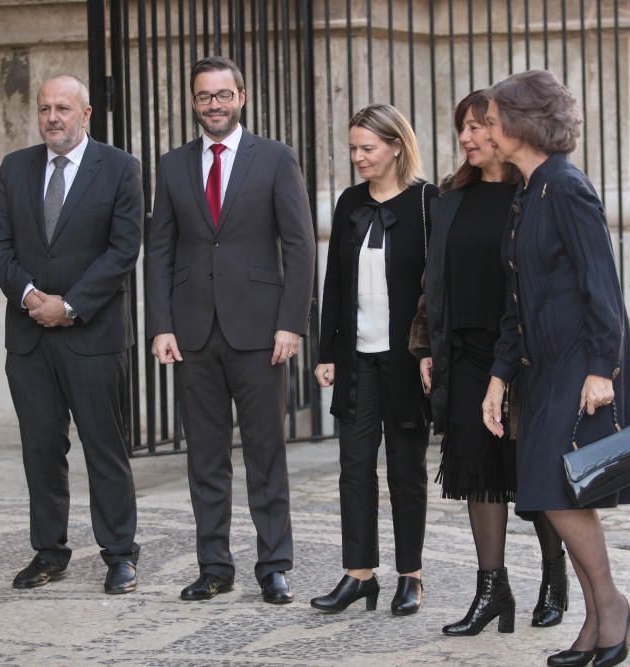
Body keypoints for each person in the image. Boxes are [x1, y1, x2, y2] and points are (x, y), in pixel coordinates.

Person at [481, 70, 630, 667]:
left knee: (562, 494)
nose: (488, 131)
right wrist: (499, 378)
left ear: (521, 124)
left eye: (495, 120)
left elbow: (602, 285)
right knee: (555, 493)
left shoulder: (567, 186)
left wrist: (602, 368)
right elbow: (517, 302)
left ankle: (610, 608)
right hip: (541, 367)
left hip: (580, 365)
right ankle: (602, 617)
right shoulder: (529, 191)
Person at [145, 56, 315, 605]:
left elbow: (300, 243)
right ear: (193, 102)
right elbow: (160, 252)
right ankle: (214, 565)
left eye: (222, 94)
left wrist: (292, 322)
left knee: (266, 453)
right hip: (193, 333)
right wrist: (160, 325)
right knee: (205, 457)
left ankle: (274, 565)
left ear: (241, 97)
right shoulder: (172, 167)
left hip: (260, 332)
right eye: (203, 96)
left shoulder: (275, 158)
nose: (213, 105)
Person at [408, 90, 568, 637]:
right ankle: (492, 587)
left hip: (525, 354)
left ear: (504, 131)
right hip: (465, 352)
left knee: (532, 473)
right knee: (477, 469)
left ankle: (553, 572)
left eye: (479, 127)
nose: (468, 138)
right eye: (463, 128)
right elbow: (432, 282)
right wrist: (425, 346)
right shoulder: (449, 197)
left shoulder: (536, 193)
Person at [0, 74, 144, 595]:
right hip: (29, 338)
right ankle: (49, 551)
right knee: (40, 449)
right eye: (45, 108)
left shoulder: (120, 169)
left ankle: (120, 553)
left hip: (91, 337)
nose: (53, 117)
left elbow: (123, 250)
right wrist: (31, 297)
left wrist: (69, 306)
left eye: (63, 108)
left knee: (105, 447)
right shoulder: (15, 167)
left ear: (86, 114)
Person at [312, 104, 434, 616]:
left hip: (405, 361)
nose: (358, 157)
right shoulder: (349, 203)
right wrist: (326, 350)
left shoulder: (429, 202)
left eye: (368, 148)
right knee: (354, 469)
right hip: (357, 360)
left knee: (406, 470)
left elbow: (436, 287)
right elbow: (335, 282)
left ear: (396, 147)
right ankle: (359, 574)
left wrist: (430, 352)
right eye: (354, 148)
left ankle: (411, 575)